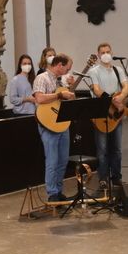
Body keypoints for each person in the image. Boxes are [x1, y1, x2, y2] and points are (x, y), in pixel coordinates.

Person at [33, 54, 75, 202]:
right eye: (67, 68)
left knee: (63, 160)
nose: (67, 71)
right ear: (59, 65)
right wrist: (58, 96)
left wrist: (69, 95)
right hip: (48, 123)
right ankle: (52, 193)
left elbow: (64, 98)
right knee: (52, 160)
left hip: (62, 122)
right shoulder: (42, 78)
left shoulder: (62, 80)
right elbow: (39, 98)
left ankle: (59, 190)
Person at [90, 42, 128, 189]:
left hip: (116, 112)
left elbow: (126, 86)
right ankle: (103, 177)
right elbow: (96, 89)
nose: (106, 54)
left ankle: (116, 177)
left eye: (108, 51)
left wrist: (121, 97)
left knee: (117, 149)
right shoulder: (94, 71)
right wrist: (110, 99)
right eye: (103, 52)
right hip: (101, 112)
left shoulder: (118, 69)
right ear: (99, 54)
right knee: (102, 149)